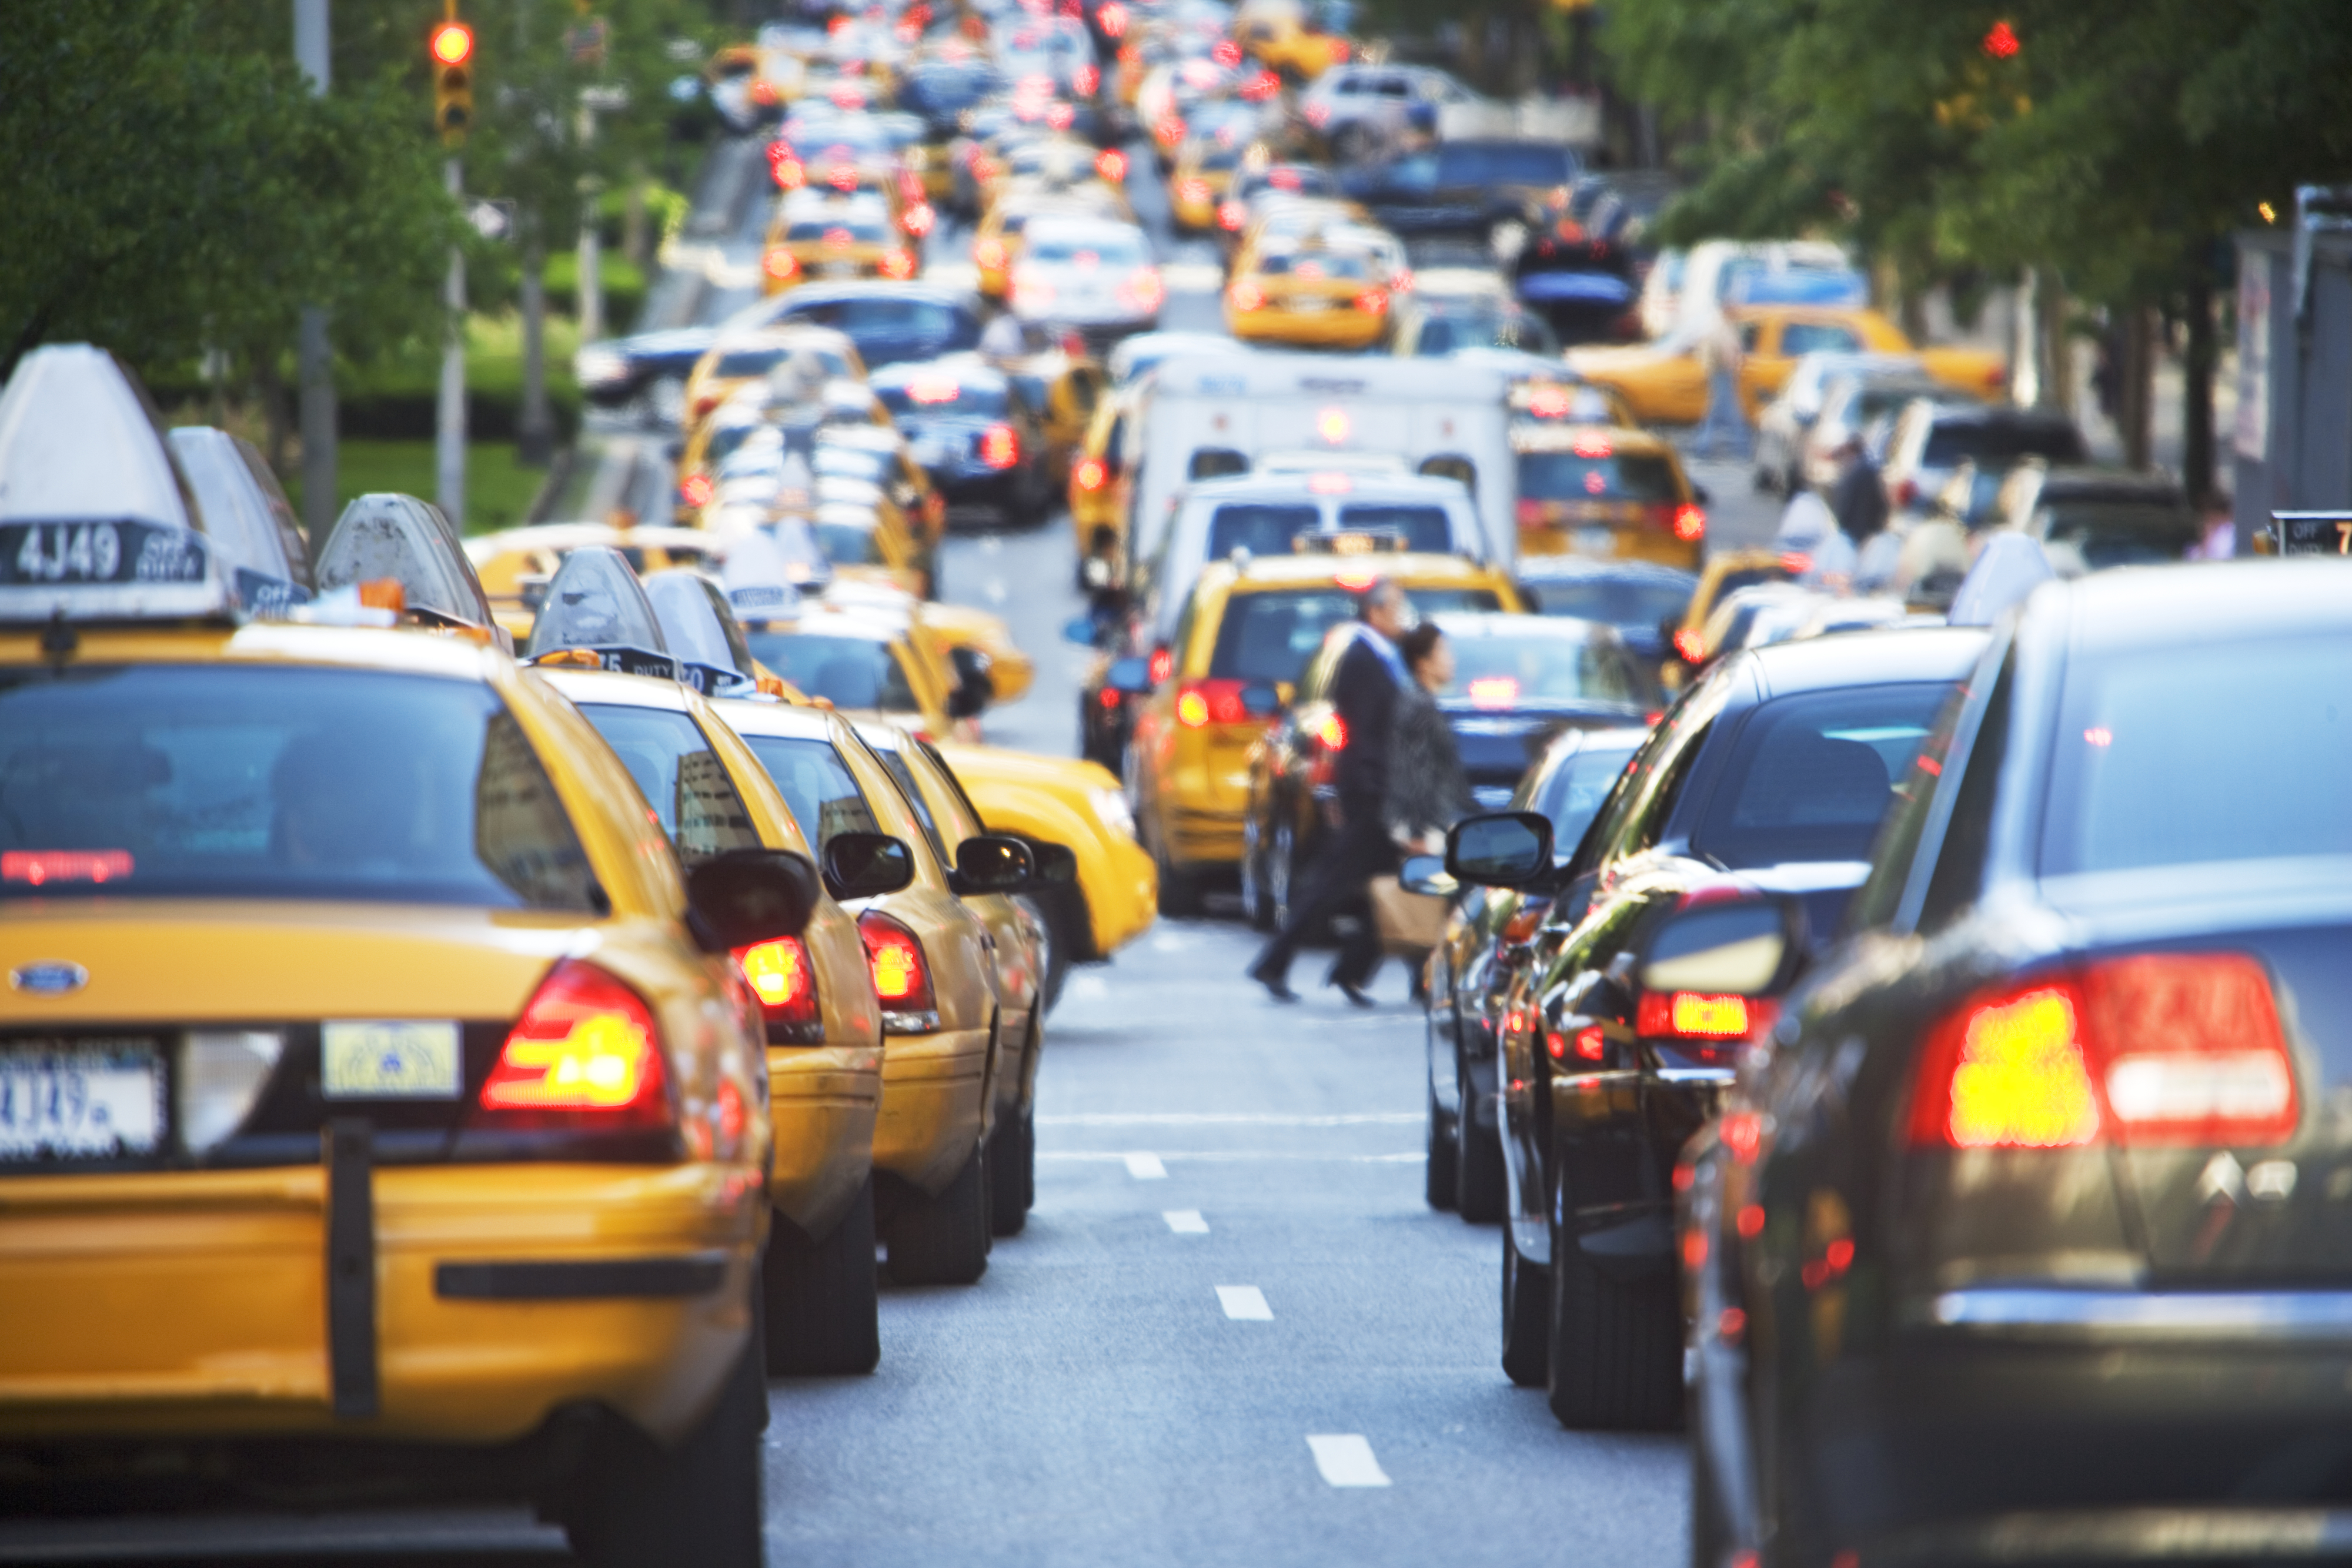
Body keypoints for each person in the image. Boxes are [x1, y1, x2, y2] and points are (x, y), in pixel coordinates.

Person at [1247, 577, 1410, 1007]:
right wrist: (1375, 790)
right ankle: (1284, 962)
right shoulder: (1360, 658)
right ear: (1374, 612)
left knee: (1397, 882)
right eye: (1396, 606)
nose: (1403, 615)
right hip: (1369, 793)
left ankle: (1350, 971)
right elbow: (1363, 735)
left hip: (1379, 790)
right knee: (1336, 883)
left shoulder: (1384, 656)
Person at [1384, 623, 1475, 1005]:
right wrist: (1419, 828)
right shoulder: (1418, 705)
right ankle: (1430, 975)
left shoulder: (1421, 701)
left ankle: (1428, 974)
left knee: (1439, 896)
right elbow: (1415, 771)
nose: (1451, 660)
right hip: (1429, 823)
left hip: (1435, 818)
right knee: (1445, 894)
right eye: (1443, 652)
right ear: (1423, 662)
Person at [1692, 315, 1750, 459]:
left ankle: (1704, 447)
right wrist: (1734, 364)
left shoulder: (1714, 328)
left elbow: (1705, 351)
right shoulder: (1724, 330)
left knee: (1716, 411)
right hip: (1724, 373)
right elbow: (1730, 351)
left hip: (1718, 372)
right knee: (1730, 411)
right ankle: (1741, 448)